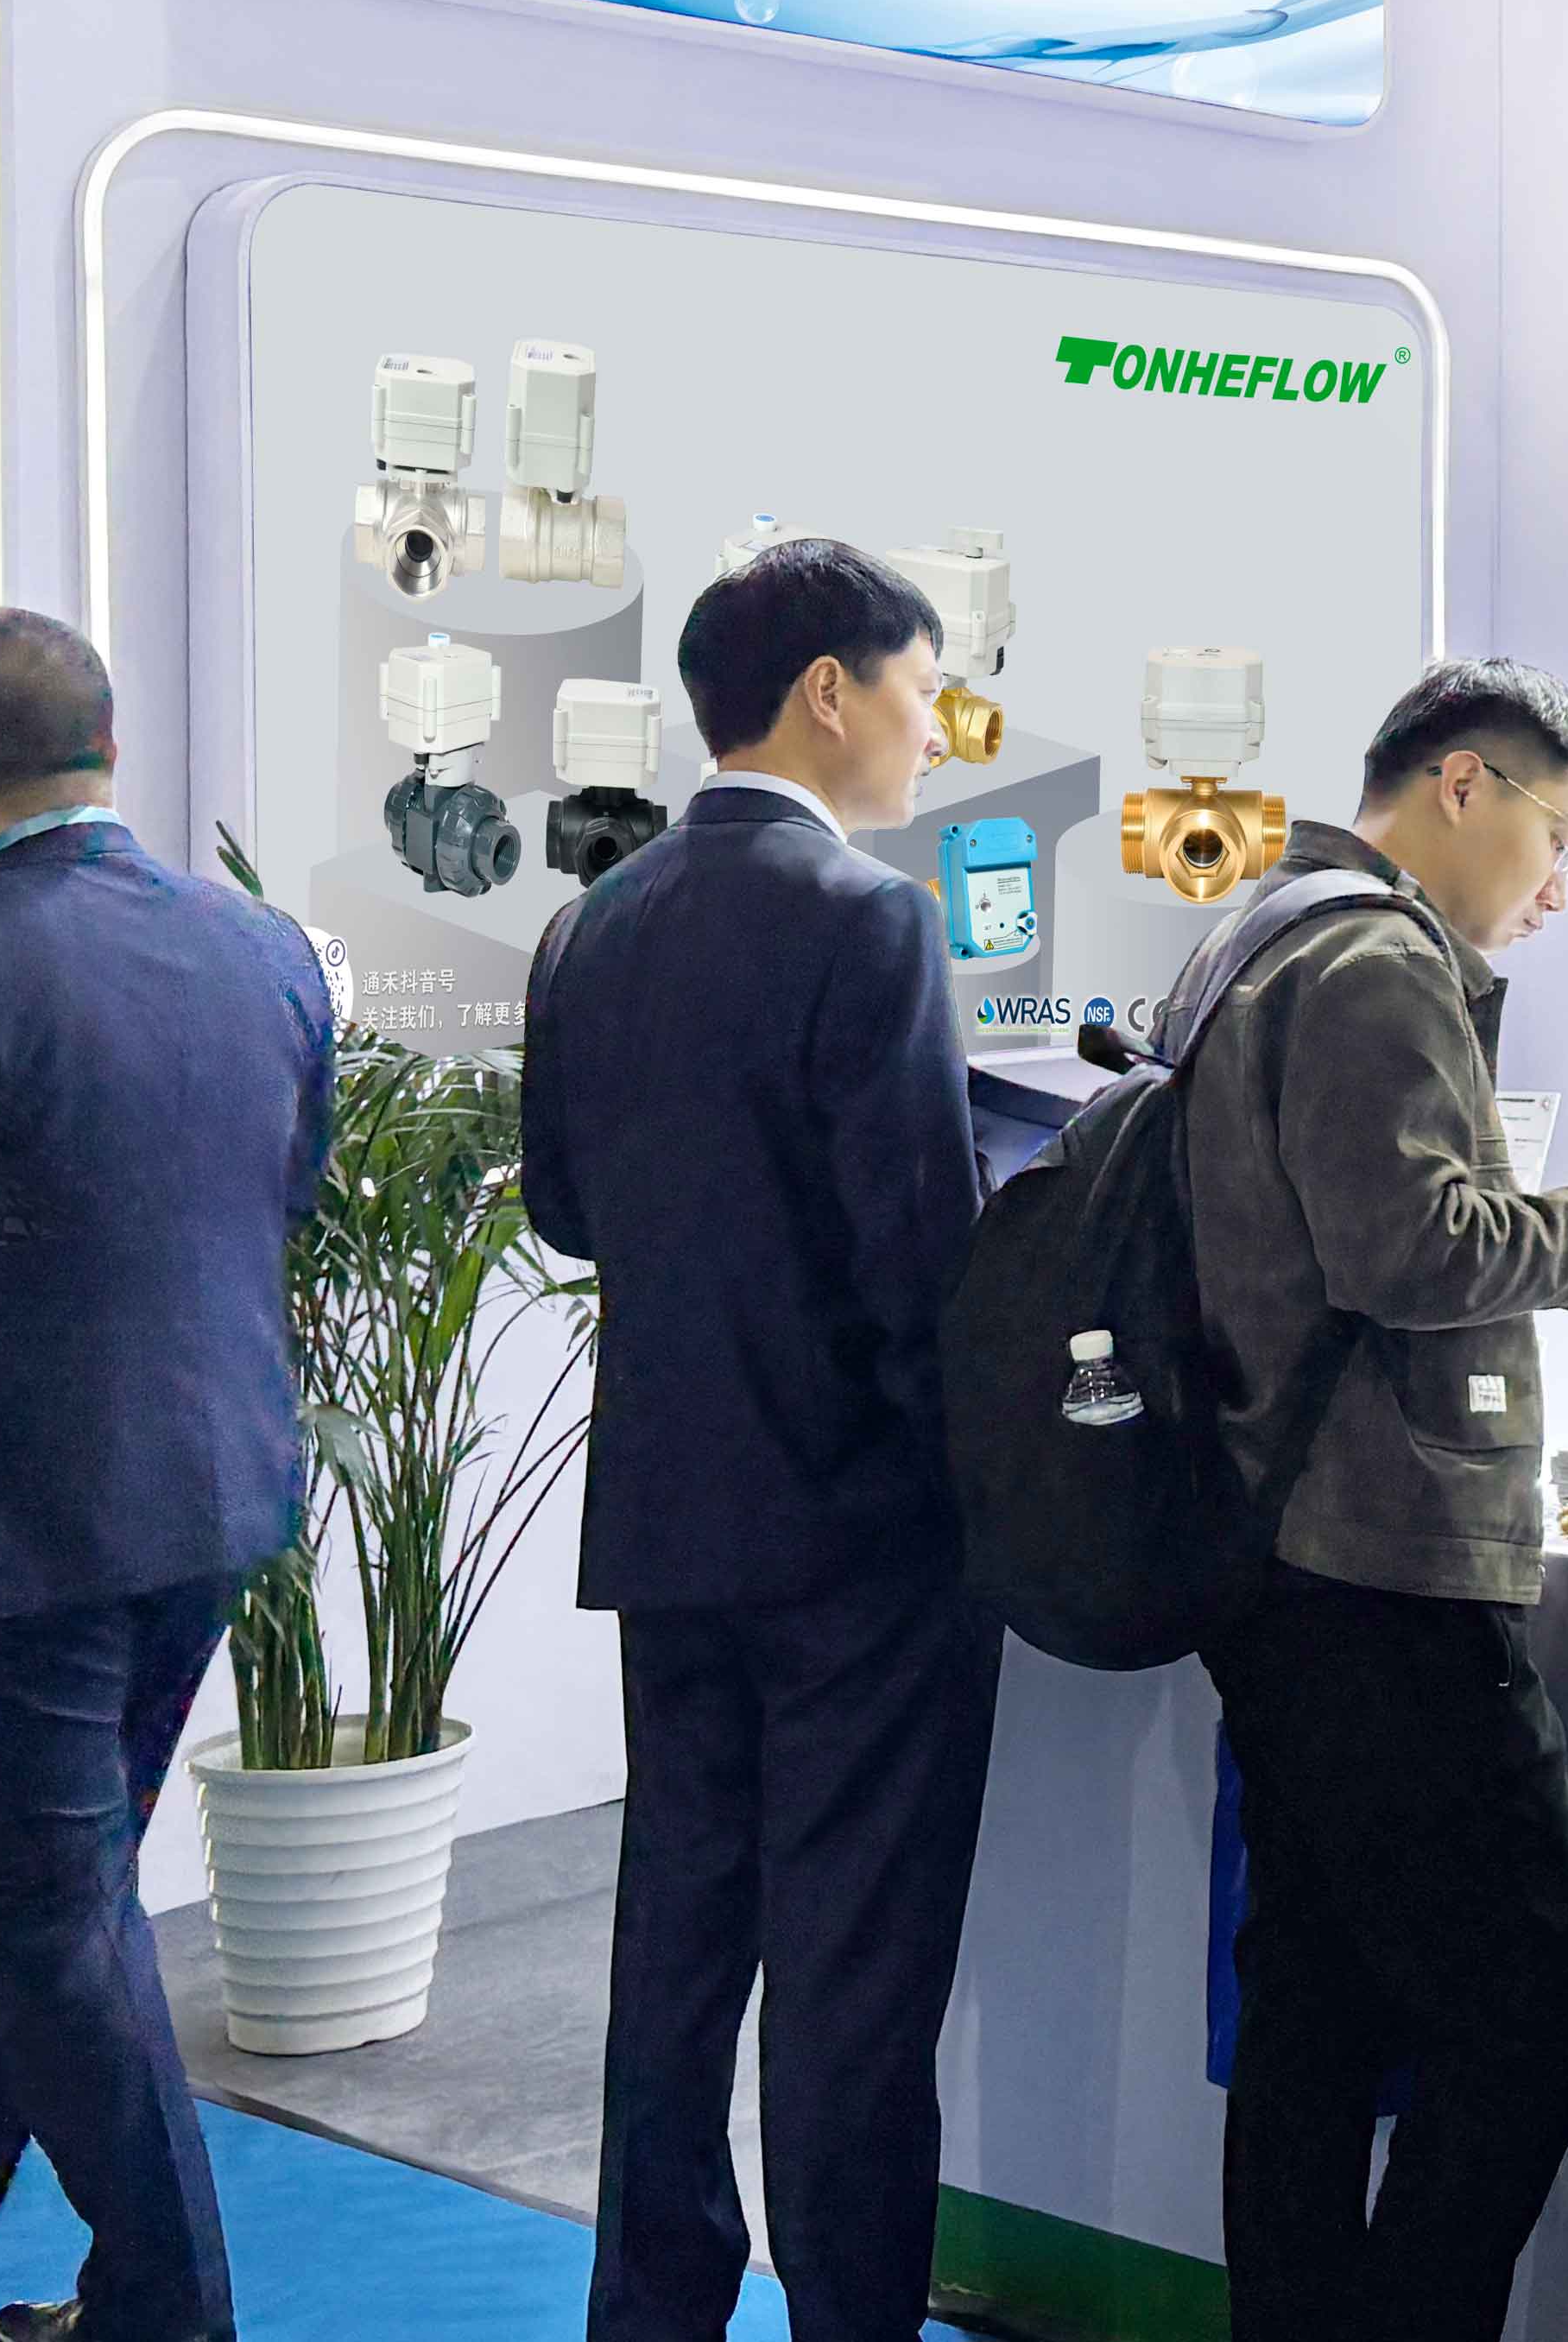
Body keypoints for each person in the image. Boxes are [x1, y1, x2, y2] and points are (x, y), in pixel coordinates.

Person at [522, 538, 993, 2342]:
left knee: (677, 1946)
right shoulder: (867, 919)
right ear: (827, 691)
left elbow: (566, 1209)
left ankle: (650, 2313)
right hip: (858, 1537)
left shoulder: (592, 923)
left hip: (668, 1517)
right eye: (923, 690)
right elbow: (920, 1263)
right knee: (853, 1982)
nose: (935, 729)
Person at [0, 611, 329, 2342]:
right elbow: (280, 1201)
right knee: (57, 1899)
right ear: (109, 754)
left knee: (49, 1916)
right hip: (210, 1508)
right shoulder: (264, 951)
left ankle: (166, 2311)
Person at [1182, 660, 1568, 2342]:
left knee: (1315, 2004)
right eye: (1560, 836)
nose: (1559, 887)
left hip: (1276, 1543)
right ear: (1464, 784)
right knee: (1526, 2013)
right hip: (1378, 1561)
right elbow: (1417, 1249)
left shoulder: (1257, 931)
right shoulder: (1376, 961)